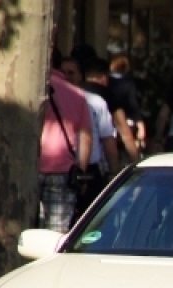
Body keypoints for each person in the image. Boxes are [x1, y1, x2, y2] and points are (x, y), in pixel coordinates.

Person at [39, 48, 93, 232]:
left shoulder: (31, 88)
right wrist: (82, 171)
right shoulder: (77, 95)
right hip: (63, 171)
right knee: (55, 232)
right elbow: (86, 136)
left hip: (29, 166)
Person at [61, 56, 119, 213]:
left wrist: (114, 174)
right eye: (63, 72)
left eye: (71, 73)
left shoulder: (95, 102)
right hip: (62, 170)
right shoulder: (52, 100)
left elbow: (108, 139)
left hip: (89, 172)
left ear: (81, 76)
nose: (66, 77)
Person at [108, 54, 146, 155]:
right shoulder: (129, 83)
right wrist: (140, 125)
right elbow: (133, 104)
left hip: (108, 121)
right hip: (127, 121)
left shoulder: (106, 81)